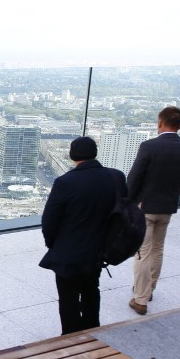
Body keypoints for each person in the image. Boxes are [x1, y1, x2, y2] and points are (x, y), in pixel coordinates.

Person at [39, 136, 125, 335]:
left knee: (68, 297)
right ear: (95, 153)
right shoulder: (116, 177)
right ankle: (92, 331)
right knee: (91, 289)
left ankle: (71, 337)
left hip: (69, 252)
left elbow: (49, 220)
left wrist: (53, 244)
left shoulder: (65, 182)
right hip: (99, 249)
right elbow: (122, 212)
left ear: (72, 156)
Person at [126, 106, 180, 315]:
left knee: (143, 251)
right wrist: (174, 193)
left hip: (145, 206)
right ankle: (149, 290)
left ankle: (140, 299)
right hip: (167, 206)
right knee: (158, 249)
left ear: (160, 122)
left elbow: (134, 178)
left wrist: (129, 202)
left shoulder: (149, 146)